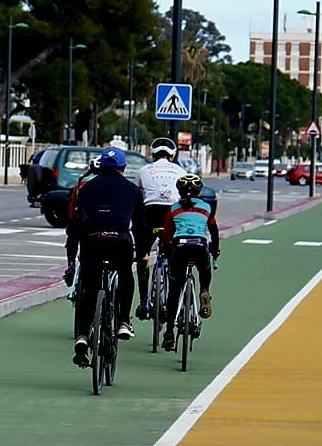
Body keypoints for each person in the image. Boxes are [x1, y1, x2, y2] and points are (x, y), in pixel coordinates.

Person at [65, 145, 144, 368]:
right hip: (120, 241)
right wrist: (144, 252)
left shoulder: (86, 189)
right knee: (126, 275)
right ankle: (123, 321)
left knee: (89, 285)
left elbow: (76, 225)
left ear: (100, 166)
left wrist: (73, 257)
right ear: (123, 167)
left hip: (93, 240)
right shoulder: (132, 190)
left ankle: (82, 334)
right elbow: (139, 226)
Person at [160, 173, 220, 353]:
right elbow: (214, 231)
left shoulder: (173, 208)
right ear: (199, 191)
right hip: (200, 246)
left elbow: (166, 235)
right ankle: (204, 290)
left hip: (180, 247)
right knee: (204, 269)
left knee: (174, 292)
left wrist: (166, 249)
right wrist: (215, 250)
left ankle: (169, 333)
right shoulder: (207, 207)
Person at [134, 137, 186, 319]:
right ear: (172, 156)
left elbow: (138, 197)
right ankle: (173, 305)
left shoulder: (143, 170)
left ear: (152, 155)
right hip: (172, 213)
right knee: (175, 260)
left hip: (151, 213)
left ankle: (143, 303)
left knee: (142, 254)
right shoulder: (180, 170)